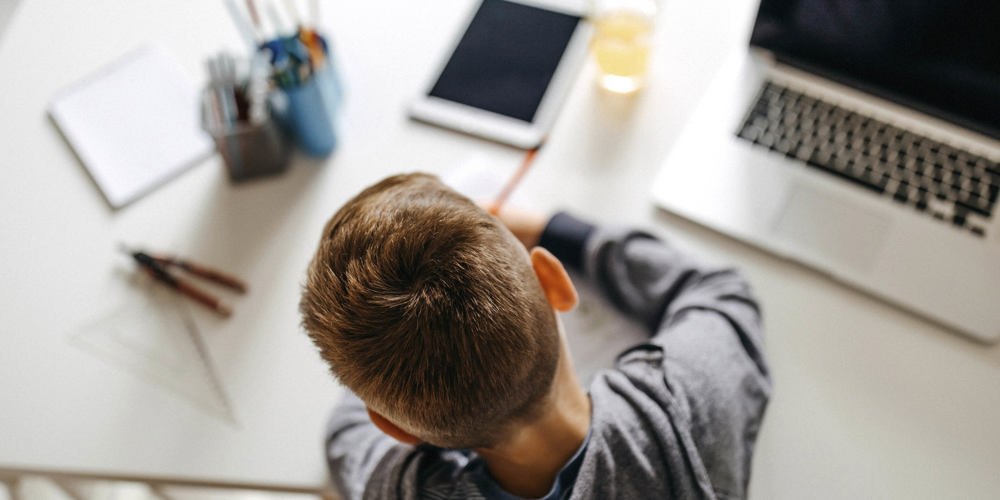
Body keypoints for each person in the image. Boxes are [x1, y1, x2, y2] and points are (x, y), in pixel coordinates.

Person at [300, 173, 771, 500]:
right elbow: (719, 291)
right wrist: (554, 229)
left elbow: (346, 435)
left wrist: (382, 351)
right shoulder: (685, 419)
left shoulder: (394, 488)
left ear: (397, 429)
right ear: (554, 281)